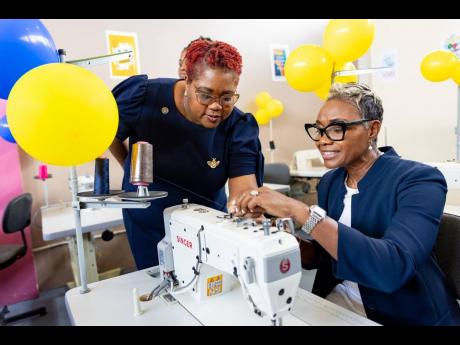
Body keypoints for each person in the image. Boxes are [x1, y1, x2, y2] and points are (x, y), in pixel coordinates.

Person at [233, 83, 460, 326]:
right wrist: (284, 236)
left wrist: (298, 210)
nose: (322, 140)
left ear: (372, 129)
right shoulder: (331, 182)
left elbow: (392, 268)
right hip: (340, 301)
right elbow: (325, 255)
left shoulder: (418, 180)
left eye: (336, 129)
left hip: (402, 314)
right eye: (319, 130)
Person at [109, 39, 264, 270]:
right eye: (205, 94)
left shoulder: (238, 126)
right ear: (187, 81)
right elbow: (109, 134)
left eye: (227, 97)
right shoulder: (143, 97)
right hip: (149, 223)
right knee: (158, 288)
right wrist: (131, 168)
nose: (216, 106)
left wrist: (246, 213)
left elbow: (242, 191)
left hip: (208, 222)